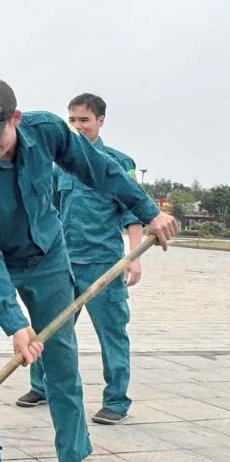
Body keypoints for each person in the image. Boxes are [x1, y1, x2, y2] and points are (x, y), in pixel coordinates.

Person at [0, 76, 177, 462]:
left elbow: (102, 169)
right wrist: (15, 323)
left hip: (48, 260)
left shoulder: (47, 130)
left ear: (16, 119)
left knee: (62, 360)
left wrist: (148, 211)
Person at [17, 93, 144, 425]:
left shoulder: (119, 162)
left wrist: (134, 256)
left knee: (112, 332)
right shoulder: (62, 168)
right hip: (64, 264)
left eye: (84, 120)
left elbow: (133, 212)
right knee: (50, 329)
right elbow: (51, 213)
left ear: (101, 121)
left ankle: (116, 399)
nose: (76, 127)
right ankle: (40, 387)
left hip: (104, 263)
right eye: (71, 120)